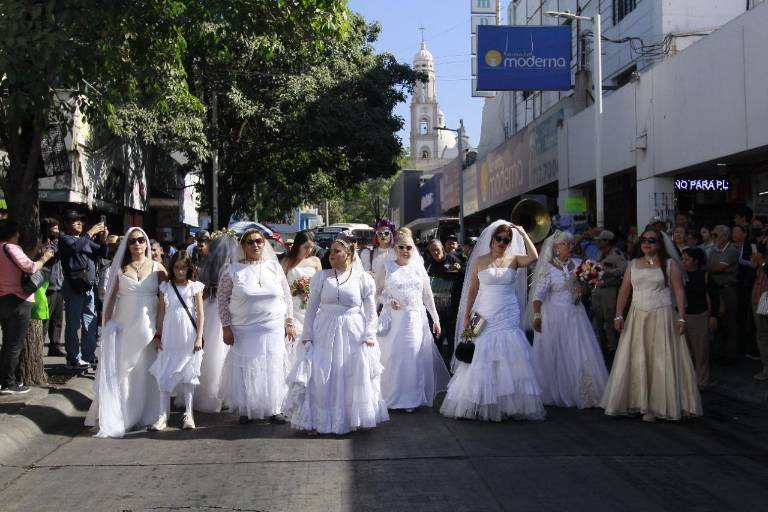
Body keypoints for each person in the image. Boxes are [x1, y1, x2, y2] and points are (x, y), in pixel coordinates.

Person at [440, 221, 546, 422]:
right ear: (492, 240)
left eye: (506, 240)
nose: (502, 243)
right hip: (483, 312)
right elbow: (473, 290)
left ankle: (507, 404)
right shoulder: (479, 260)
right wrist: (466, 316)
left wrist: (523, 233)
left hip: (508, 313)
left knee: (509, 355)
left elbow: (534, 257)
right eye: (499, 239)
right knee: (477, 353)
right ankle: (477, 403)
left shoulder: (514, 259)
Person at [283, 238, 388, 435]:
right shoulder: (321, 278)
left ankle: (349, 419)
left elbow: (371, 312)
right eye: (331, 251)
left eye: (337, 251)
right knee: (321, 374)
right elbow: (312, 308)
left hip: (353, 332)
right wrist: (307, 334)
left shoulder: (363, 279)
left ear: (348, 254)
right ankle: (316, 421)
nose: (331, 254)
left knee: (349, 373)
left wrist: (369, 335)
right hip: (324, 331)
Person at [601, 228, 702, 422]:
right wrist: (618, 315)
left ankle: (658, 406)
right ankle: (636, 401)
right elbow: (624, 291)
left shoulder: (670, 264)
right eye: (644, 240)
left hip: (662, 315)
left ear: (660, 244)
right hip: (637, 316)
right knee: (637, 357)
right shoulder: (633, 264)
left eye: (652, 240)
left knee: (660, 359)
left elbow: (679, 291)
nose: (647, 243)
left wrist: (681, 318)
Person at [85, 228, 167, 437]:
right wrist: (107, 328)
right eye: (132, 241)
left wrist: (161, 328)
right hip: (124, 327)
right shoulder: (120, 269)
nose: (137, 244)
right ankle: (124, 415)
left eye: (140, 240)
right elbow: (110, 301)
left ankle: (148, 414)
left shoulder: (158, 269)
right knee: (124, 373)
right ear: (127, 245)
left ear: (146, 243)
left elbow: (166, 300)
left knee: (146, 371)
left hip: (149, 327)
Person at [217, 229, 295, 425]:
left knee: (272, 368)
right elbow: (222, 300)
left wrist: (289, 321)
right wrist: (226, 327)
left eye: (259, 241)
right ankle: (246, 408)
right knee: (247, 369)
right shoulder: (232, 270)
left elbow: (286, 296)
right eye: (250, 242)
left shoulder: (274, 267)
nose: (255, 245)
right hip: (244, 329)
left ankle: (274, 408)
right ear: (243, 246)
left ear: (264, 243)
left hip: (273, 327)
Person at [530, 231, 608, 408]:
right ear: (556, 247)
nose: (570, 247)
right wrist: (537, 316)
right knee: (558, 352)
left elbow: (586, 285)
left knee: (580, 349)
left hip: (576, 313)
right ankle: (559, 389)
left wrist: (589, 282)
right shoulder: (547, 269)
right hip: (555, 315)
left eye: (571, 244)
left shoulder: (580, 264)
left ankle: (586, 391)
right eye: (565, 244)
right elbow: (538, 296)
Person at [376, 230, 450, 411]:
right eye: (401, 247)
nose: (405, 251)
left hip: (414, 319)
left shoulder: (418, 268)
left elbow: (428, 296)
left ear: (413, 249)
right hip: (394, 320)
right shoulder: (386, 266)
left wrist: (436, 319)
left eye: (408, 247)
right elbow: (377, 293)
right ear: (395, 248)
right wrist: (388, 301)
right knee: (394, 357)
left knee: (413, 356)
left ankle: (412, 399)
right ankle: (392, 396)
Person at [149, 252, 205, 431]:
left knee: (189, 374)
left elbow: (200, 314)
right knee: (164, 373)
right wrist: (158, 334)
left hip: (188, 335)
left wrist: (199, 337)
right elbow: (161, 313)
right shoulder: (165, 287)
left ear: (189, 268)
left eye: (183, 268)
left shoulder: (194, 287)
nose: (180, 271)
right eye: (177, 268)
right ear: (172, 268)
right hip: (169, 334)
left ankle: (189, 414)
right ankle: (162, 415)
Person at [0, 219, 54, 394]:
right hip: (19, 300)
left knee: (7, 343)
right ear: (14, 234)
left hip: (3, 299)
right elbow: (29, 267)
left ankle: (4, 380)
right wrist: (44, 258)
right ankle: (8, 383)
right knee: (14, 345)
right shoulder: (11, 248)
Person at [194, 232, 238, 413]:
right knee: (224, 352)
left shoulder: (207, 267)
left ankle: (210, 394)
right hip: (228, 310)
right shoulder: (231, 268)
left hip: (210, 308)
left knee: (212, 352)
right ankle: (226, 395)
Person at [59, 210, 109, 369]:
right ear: (66, 224)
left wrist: (103, 240)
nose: (80, 223)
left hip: (88, 285)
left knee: (90, 322)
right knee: (73, 324)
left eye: (81, 220)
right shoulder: (65, 238)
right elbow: (75, 248)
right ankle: (73, 358)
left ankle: (88, 355)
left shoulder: (83, 239)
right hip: (74, 286)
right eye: (75, 221)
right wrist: (90, 233)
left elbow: (101, 253)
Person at [281, 230, 322, 368]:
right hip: (293, 307)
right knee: (295, 342)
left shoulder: (315, 261)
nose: (309, 250)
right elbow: (280, 286)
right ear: (298, 246)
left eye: (311, 247)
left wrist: (309, 291)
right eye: (306, 247)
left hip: (312, 306)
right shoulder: (287, 261)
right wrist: (296, 290)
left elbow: (320, 285)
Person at [681, 248, 716, 389]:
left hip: (700, 316)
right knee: (684, 351)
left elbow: (714, 297)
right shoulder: (679, 275)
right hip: (682, 315)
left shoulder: (704, 276)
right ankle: (687, 381)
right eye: (682, 259)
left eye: (687, 259)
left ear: (695, 261)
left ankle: (702, 381)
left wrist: (713, 316)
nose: (683, 262)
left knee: (701, 351)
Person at [591, 230, 627, 362]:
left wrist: (610, 272)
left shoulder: (616, 254)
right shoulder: (599, 253)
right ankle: (602, 346)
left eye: (601, 240)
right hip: (597, 289)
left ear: (607, 241)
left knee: (609, 317)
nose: (598, 242)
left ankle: (612, 347)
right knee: (598, 318)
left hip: (609, 289)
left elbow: (624, 269)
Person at [706, 225, 740, 364]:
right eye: (712, 234)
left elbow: (719, 267)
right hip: (715, 289)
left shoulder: (731, 250)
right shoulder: (713, 250)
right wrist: (716, 269)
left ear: (725, 236)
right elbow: (710, 266)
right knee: (717, 322)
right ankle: (720, 352)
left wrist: (715, 269)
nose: (713, 237)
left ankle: (731, 354)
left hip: (727, 289)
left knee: (729, 321)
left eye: (716, 235)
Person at [41, 217, 65, 357]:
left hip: (59, 284)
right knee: (45, 318)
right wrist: (57, 240)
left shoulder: (57, 241)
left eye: (58, 228)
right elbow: (50, 254)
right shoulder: (42, 242)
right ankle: (38, 345)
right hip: (47, 286)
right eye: (54, 229)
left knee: (57, 318)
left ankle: (55, 345)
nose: (57, 231)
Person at [751, 244, 768, 380]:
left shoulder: (764, 264)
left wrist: (761, 261)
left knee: (763, 336)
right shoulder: (760, 265)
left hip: (765, 302)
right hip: (758, 301)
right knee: (762, 335)